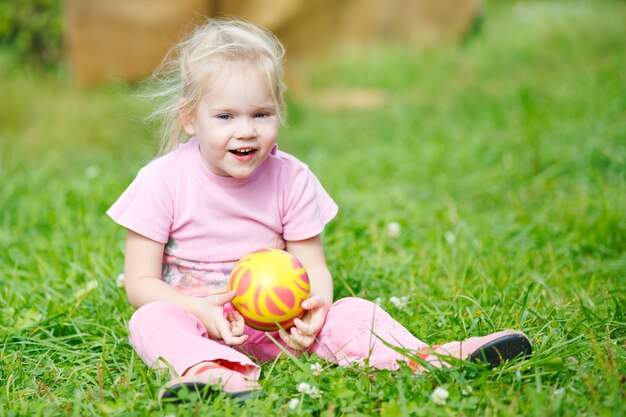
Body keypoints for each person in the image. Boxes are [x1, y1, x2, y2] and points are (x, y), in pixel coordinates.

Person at [107, 18, 532, 402]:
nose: (246, 131)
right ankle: (213, 372)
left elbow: (314, 267)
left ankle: (425, 357)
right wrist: (198, 309)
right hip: (203, 326)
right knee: (152, 319)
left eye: (261, 114)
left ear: (280, 113)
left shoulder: (290, 178)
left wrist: (318, 308)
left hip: (284, 328)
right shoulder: (162, 180)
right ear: (189, 119)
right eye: (225, 116)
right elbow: (140, 282)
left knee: (353, 311)